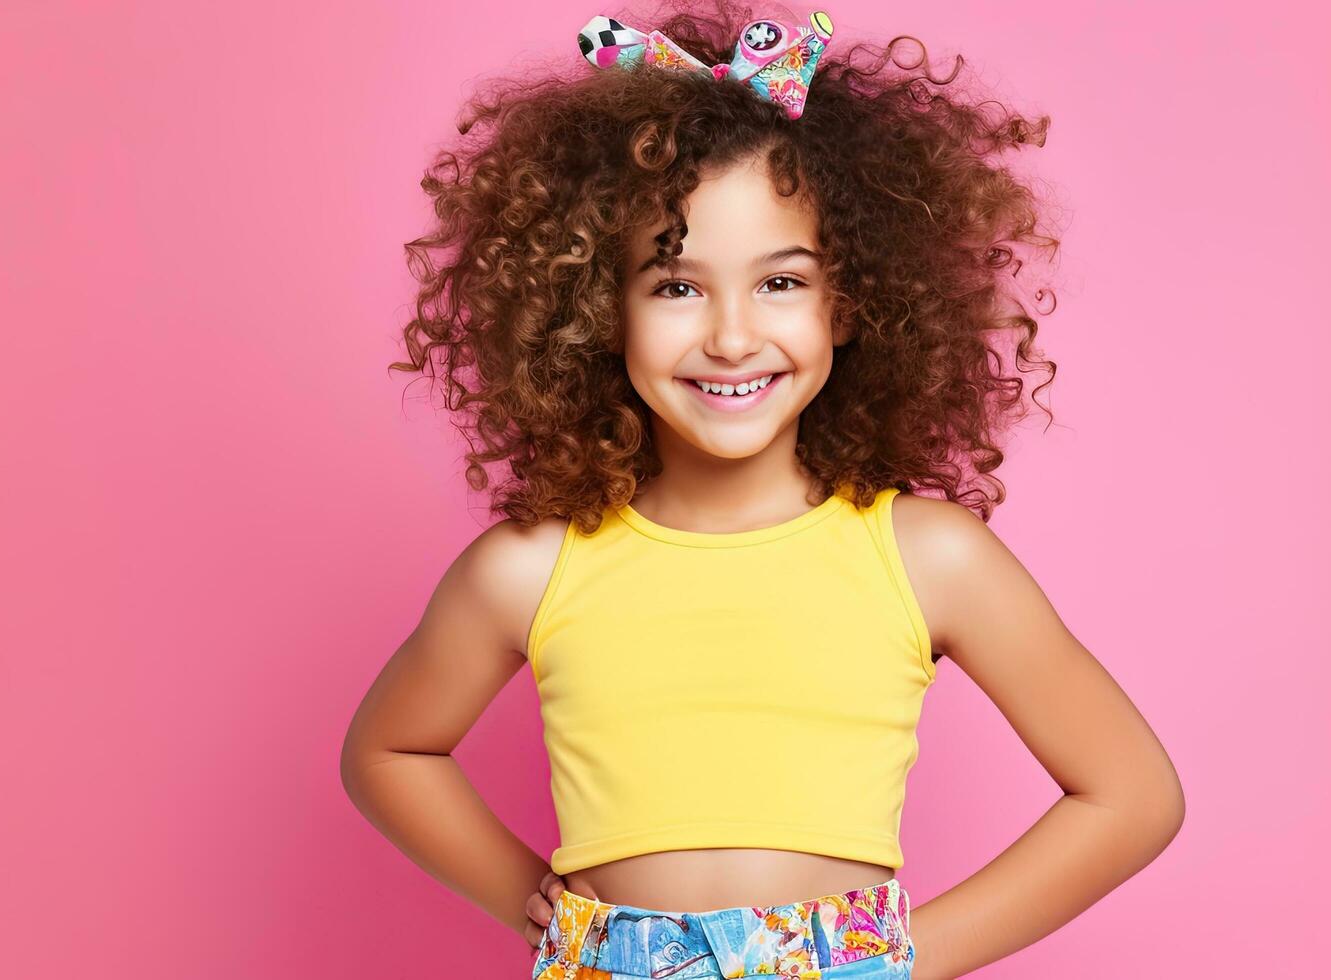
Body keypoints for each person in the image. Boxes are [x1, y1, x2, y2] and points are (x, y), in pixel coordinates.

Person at [338, 3, 1184, 977]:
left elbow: (1132, 793)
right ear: (594, 307)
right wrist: (523, 898)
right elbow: (388, 750)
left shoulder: (925, 554)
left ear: (852, 299)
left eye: (779, 282)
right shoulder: (528, 567)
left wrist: (895, 958)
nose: (732, 336)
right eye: (675, 286)